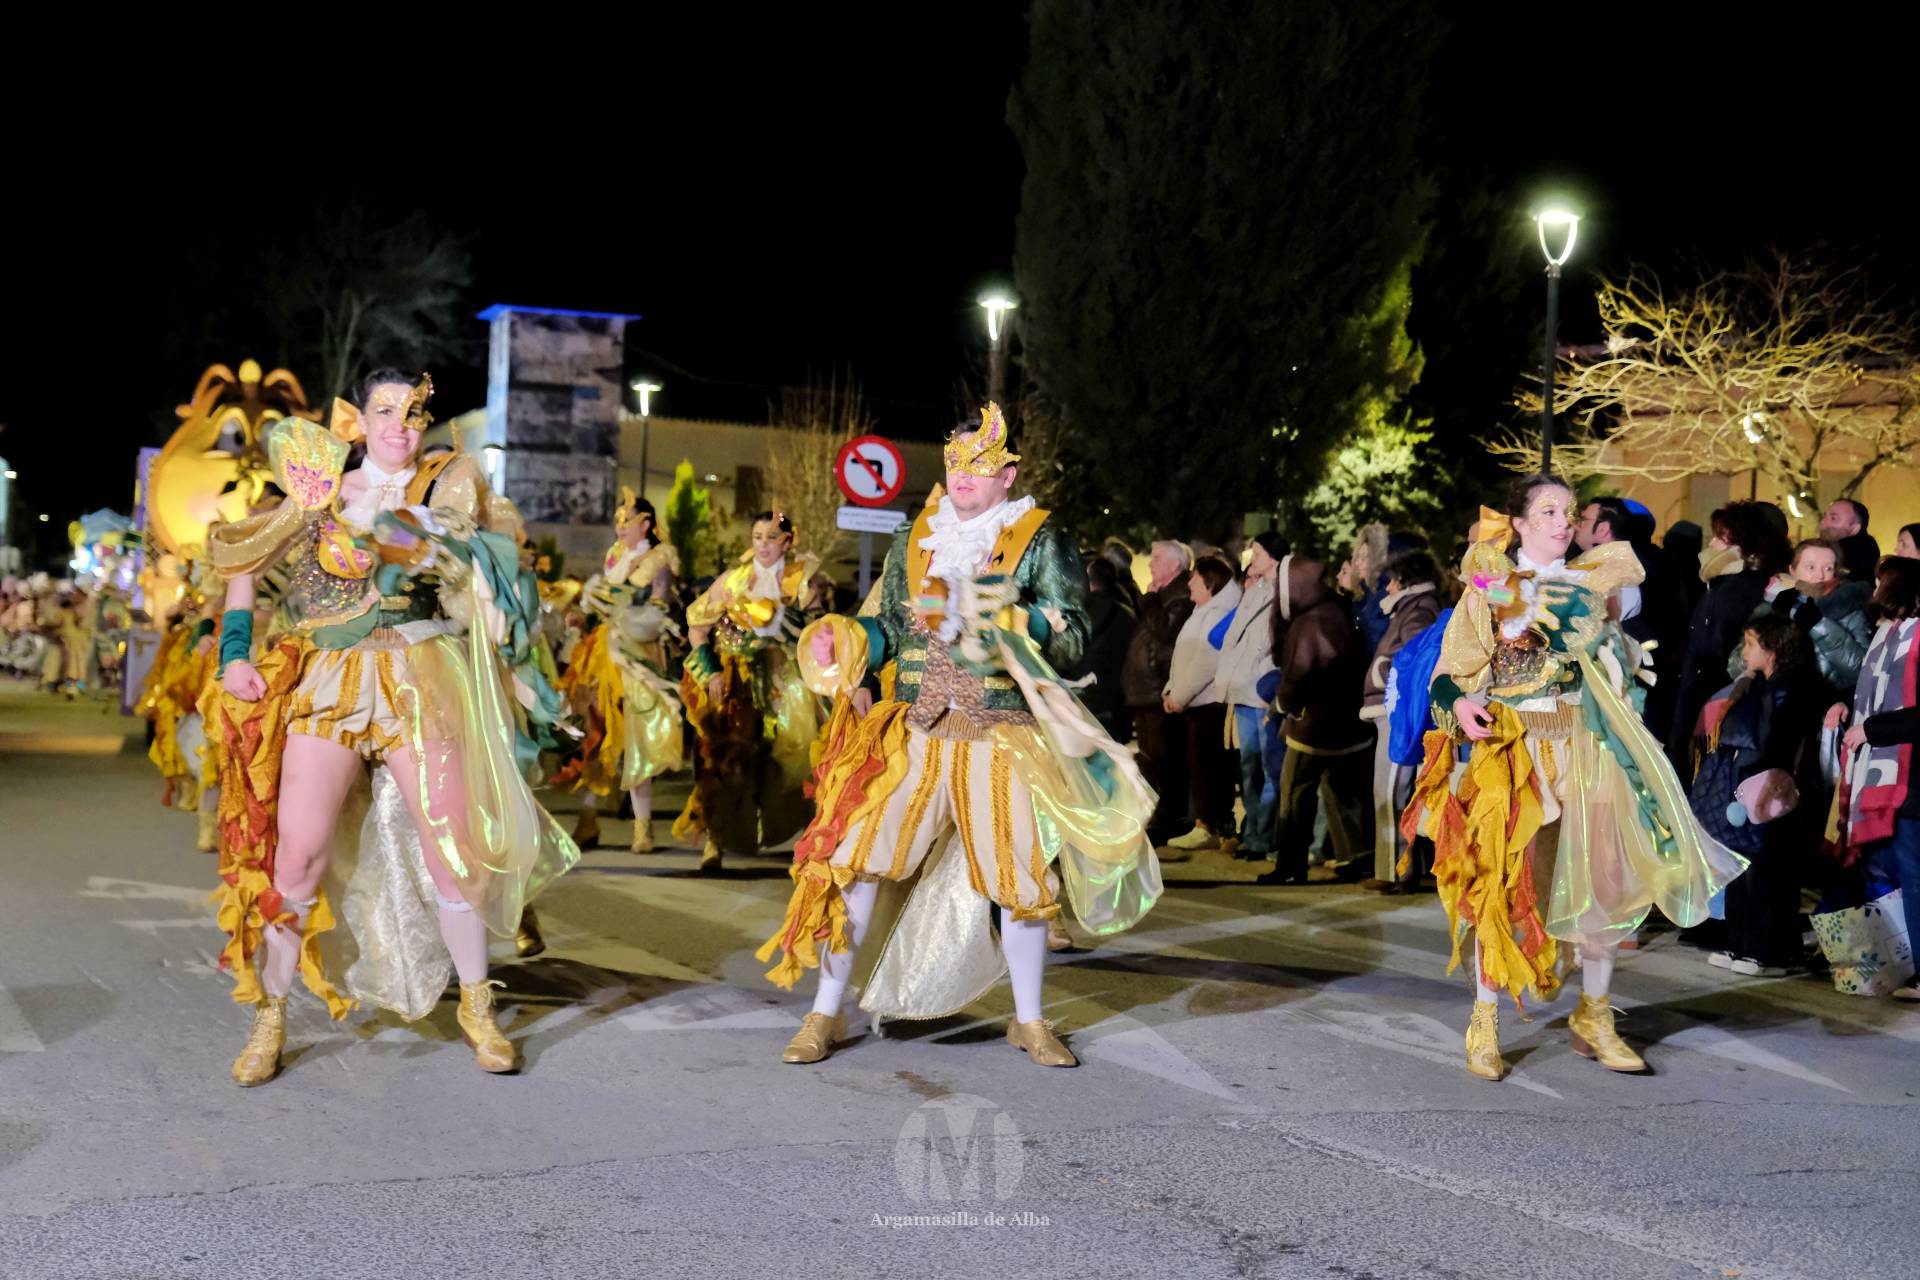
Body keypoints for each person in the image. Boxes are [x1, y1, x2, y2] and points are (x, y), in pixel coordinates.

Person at [205, 370, 578, 1086]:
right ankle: (271, 1015)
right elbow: (240, 563)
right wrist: (233, 657)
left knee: (455, 852)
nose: (400, 424)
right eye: (385, 409)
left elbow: (501, 573)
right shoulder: (319, 493)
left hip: (423, 679)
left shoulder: (445, 490)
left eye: (413, 412)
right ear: (358, 418)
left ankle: (476, 1004)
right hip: (332, 683)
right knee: (299, 860)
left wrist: (460, 547)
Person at [763, 404, 1161, 1066]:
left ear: (1008, 475)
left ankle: (1030, 1022)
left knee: (1020, 880)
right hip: (915, 728)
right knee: (857, 862)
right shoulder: (913, 542)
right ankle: (823, 1013)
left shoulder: (1041, 541)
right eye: (953, 464)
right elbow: (888, 626)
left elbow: (1073, 634)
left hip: (1000, 732)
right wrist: (851, 638)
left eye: (977, 466)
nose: (963, 476)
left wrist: (1000, 615)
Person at [1402, 474, 1746, 1080]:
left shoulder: (1594, 585)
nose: (1565, 521)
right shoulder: (1492, 584)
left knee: (1601, 886)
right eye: (1550, 511)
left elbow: (1617, 668)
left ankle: (1595, 1013)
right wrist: (1459, 703)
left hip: (1586, 750)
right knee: (1503, 889)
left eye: (1570, 511)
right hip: (1516, 756)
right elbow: (1450, 674)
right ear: (1522, 523)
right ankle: (1485, 1020)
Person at [674, 510, 825, 872]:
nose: (763, 545)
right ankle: (715, 841)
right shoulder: (733, 580)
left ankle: (810, 843)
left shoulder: (801, 580)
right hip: (735, 680)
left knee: (795, 758)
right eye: (757, 537)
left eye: (772, 537)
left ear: (788, 542)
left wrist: (786, 626)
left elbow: (820, 628)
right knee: (724, 760)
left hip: (783, 679)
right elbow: (696, 626)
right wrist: (710, 672)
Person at [1689, 615, 1835, 975]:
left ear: (1771, 649)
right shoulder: (1758, 685)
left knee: (1770, 870)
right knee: (1744, 865)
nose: (1745, 651)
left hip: (1774, 789)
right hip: (1750, 785)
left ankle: (1767, 951)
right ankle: (1741, 944)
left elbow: (1775, 740)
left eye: (1751, 643)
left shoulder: (1790, 688)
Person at [554, 488, 685, 854]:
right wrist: (582, 616)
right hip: (602, 656)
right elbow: (601, 606)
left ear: (646, 525)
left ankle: (643, 828)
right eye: (616, 521)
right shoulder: (614, 556)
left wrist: (629, 613)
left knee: (635, 738)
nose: (620, 527)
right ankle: (587, 818)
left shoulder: (658, 560)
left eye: (626, 521)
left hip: (638, 657)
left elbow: (659, 610)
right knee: (595, 733)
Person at [1825, 557, 1920, 1000]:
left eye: (1883, 579)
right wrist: (1847, 705)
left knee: (1914, 874)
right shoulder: (1889, 635)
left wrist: (1873, 730)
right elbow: (1878, 691)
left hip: (1910, 778)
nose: (1875, 586)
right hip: (1885, 775)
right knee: (1892, 871)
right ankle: (1887, 961)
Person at [1258, 552, 1371, 884]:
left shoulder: (1310, 623)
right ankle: (1357, 856)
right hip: (1346, 721)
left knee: (1295, 790)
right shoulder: (1334, 611)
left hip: (1314, 723)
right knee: (1343, 791)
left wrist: (1280, 704)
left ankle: (1290, 864)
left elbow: (1298, 674)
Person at [1668, 502, 1791, 785]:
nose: (1711, 543)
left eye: (1721, 537)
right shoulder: (1725, 584)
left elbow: (1720, 655)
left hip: (1714, 713)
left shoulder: (1740, 589)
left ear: (1744, 543)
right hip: (1704, 705)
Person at [1360, 546, 1442, 892]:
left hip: (1398, 713)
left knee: (1391, 792)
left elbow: (1417, 658)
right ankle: (1407, 867)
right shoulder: (1411, 608)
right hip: (1393, 710)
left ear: (1404, 581)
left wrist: (1385, 675)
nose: (1387, 589)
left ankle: (1394, 870)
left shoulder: (1418, 610)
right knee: (1395, 792)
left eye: (1391, 581)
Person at [1215, 531, 1285, 863]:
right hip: (1243, 687)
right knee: (1249, 767)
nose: (1251, 558)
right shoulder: (1253, 591)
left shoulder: (1283, 593)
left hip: (1261, 687)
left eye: (1256, 553)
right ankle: (1253, 831)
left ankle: (1264, 836)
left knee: (1269, 766)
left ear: (1272, 556)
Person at [1163, 555, 1239, 852]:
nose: (1189, 582)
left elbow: (1205, 661)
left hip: (1206, 703)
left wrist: (1178, 696)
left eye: (1194, 577)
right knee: (1202, 766)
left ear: (1210, 582)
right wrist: (1173, 690)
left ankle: (1206, 824)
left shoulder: (1217, 612)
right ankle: (1211, 823)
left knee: (1207, 766)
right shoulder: (1204, 610)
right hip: (1195, 702)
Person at [1123, 540, 1195, 842]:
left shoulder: (1178, 596)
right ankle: (1159, 814)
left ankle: (1167, 817)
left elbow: (1164, 631)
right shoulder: (1164, 594)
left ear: (1175, 565)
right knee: (1153, 759)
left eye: (1156, 558)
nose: (1150, 564)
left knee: (1164, 760)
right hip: (1146, 691)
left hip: (1158, 690)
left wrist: (1150, 599)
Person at [1740, 538, 1872, 695]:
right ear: (1792, 570)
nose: (1820, 575)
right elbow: (1736, 665)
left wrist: (1818, 625)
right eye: (1811, 567)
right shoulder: (1770, 607)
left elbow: (1862, 670)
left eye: (1828, 568)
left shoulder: (1849, 610)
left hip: (1824, 709)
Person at [1075, 555, 1137, 745]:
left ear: (1088, 580)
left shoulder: (1079, 614)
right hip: (1117, 703)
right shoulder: (1128, 615)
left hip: (1083, 699)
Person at [1818, 498, 1880, 585]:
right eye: (1824, 516)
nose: (1823, 522)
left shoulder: (1857, 557)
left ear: (1854, 529)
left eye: (1833, 518)